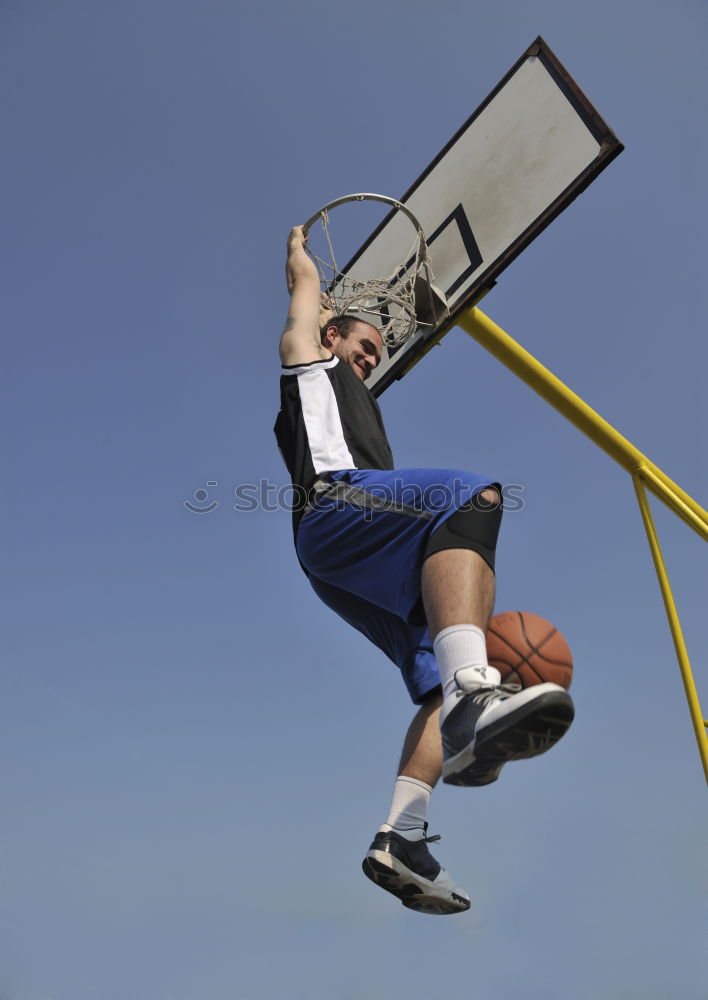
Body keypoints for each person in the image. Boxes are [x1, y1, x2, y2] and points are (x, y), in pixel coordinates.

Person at [274, 225, 574, 915]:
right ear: (328, 337)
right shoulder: (306, 365)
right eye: (363, 344)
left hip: (341, 558)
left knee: (436, 678)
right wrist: (303, 269)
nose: (373, 356)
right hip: (331, 509)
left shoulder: (357, 402)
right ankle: (478, 696)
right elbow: (305, 303)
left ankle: (401, 836)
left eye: (379, 352)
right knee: (471, 494)